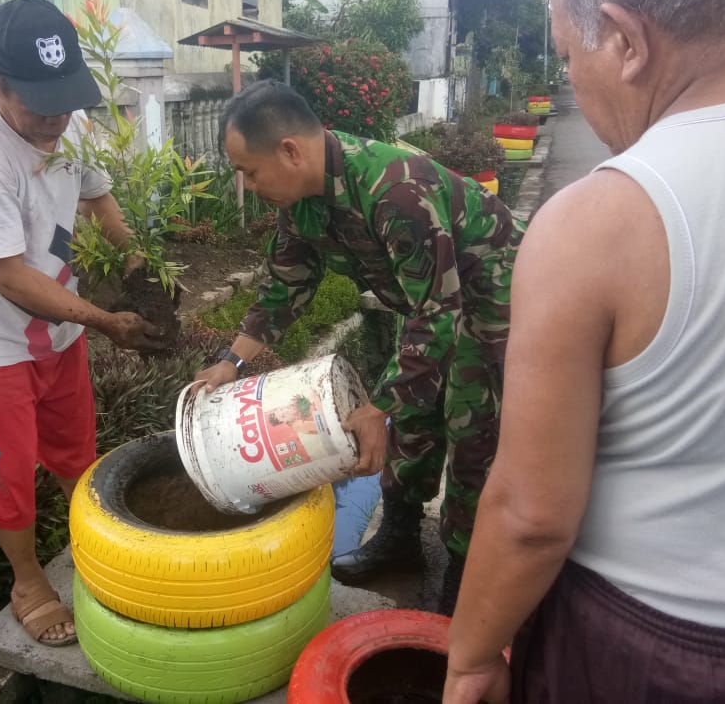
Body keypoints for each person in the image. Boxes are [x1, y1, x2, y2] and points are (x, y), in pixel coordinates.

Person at [444, 0, 725, 701]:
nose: (571, 79)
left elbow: (531, 514)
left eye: (568, 54)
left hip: (651, 647)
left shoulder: (598, 224)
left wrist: (471, 655)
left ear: (627, 40)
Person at [194, 80, 524, 613]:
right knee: (414, 416)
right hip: (429, 303)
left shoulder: (395, 191)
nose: (247, 184)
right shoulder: (302, 199)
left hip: (492, 300)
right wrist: (230, 362)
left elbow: (441, 312)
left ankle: (466, 576)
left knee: (471, 430)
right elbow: (285, 284)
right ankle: (399, 540)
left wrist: (379, 407)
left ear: (290, 151)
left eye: (249, 171)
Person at [0, 0, 163, 647]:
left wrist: (140, 269)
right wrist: (107, 321)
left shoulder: (66, 123)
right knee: (7, 470)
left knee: (74, 450)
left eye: (64, 97)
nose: (57, 115)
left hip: (60, 331)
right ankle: (27, 581)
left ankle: (93, 546)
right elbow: (5, 275)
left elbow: (98, 200)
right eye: (38, 100)